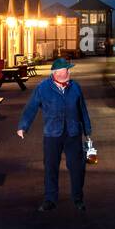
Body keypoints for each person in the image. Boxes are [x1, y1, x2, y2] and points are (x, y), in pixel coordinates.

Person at [17, 58, 92, 212]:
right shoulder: (43, 88)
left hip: (73, 133)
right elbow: (31, 107)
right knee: (51, 167)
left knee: (77, 167)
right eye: (67, 69)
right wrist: (23, 126)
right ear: (57, 73)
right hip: (52, 134)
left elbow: (82, 110)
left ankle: (78, 199)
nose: (70, 72)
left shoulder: (75, 87)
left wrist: (87, 131)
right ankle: (50, 199)